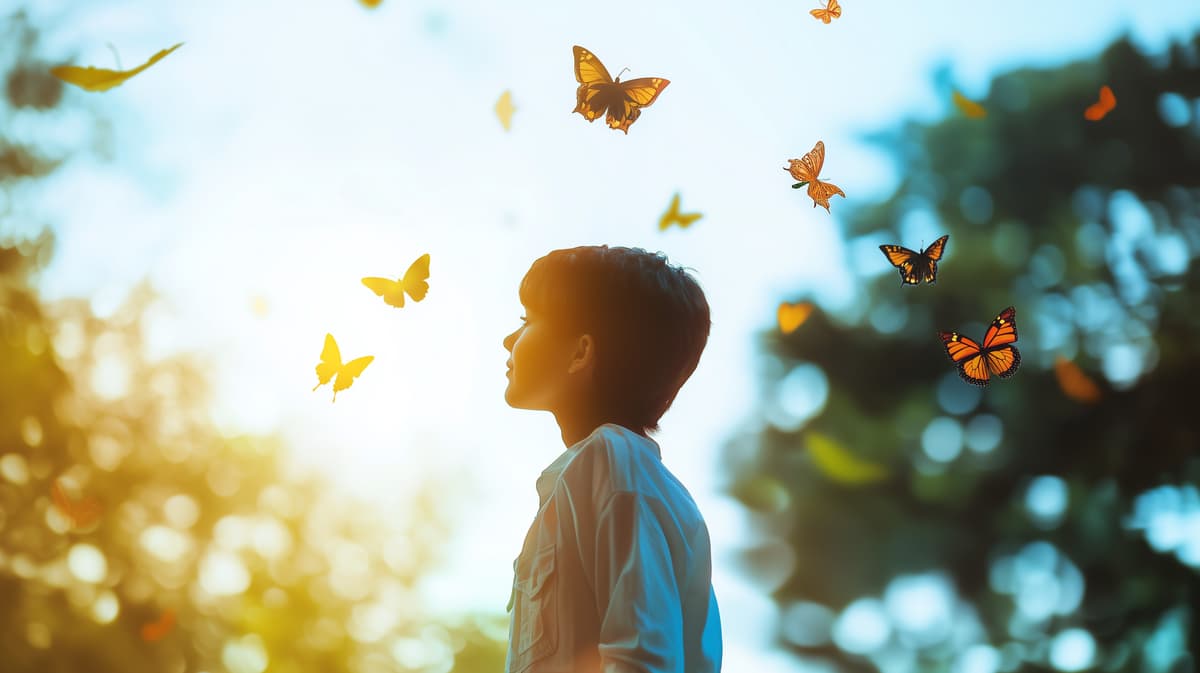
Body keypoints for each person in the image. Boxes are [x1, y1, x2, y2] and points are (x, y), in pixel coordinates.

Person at [501, 245, 722, 673]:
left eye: (527, 321)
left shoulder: (613, 466)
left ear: (580, 353)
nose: (509, 339)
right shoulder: (600, 472)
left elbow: (643, 658)